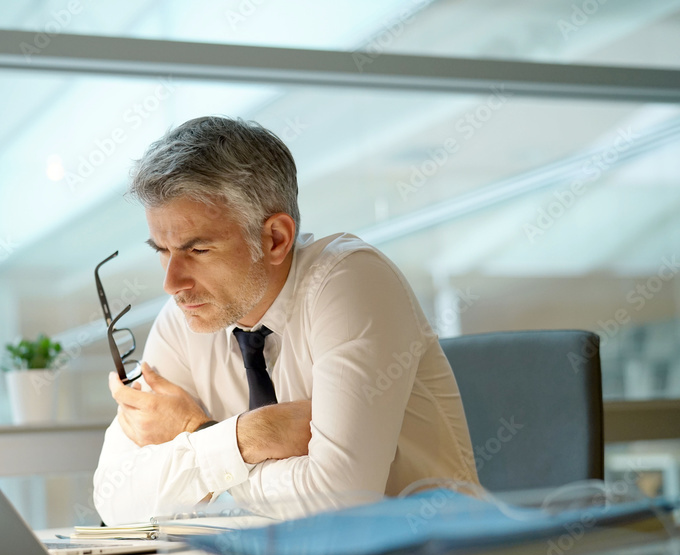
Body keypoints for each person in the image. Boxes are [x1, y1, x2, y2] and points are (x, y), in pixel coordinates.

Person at [93, 116, 477, 526]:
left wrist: (197, 431)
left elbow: (341, 504)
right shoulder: (183, 319)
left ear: (275, 238)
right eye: (162, 251)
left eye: (198, 250)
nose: (172, 283)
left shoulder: (351, 281)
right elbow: (115, 502)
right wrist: (248, 436)